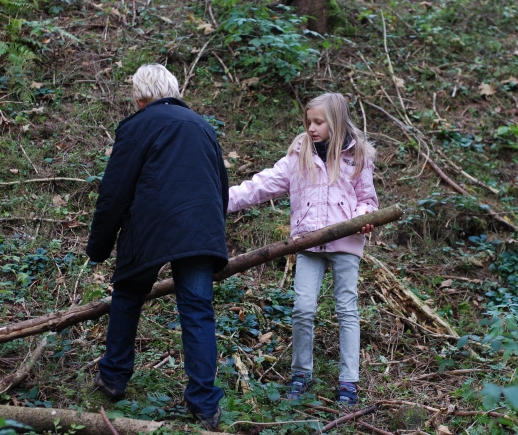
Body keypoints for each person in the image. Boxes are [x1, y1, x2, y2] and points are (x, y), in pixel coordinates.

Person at [86, 63, 229, 430]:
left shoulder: (137, 126)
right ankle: (204, 404)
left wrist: (98, 246)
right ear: (174, 90)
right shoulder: (203, 127)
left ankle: (114, 377)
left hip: (150, 229)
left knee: (129, 295)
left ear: (140, 97)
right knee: (197, 311)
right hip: (199, 229)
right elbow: (221, 188)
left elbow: (115, 191)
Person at [227, 92, 378, 405]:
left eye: (319, 122)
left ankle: (349, 381)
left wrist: (363, 218)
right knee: (303, 308)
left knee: (346, 310)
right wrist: (219, 201)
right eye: (309, 121)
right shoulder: (299, 156)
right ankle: (301, 373)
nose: (311, 128)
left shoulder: (357, 156)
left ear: (335, 123)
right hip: (307, 243)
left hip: (346, 243)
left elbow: (367, 200)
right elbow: (260, 185)